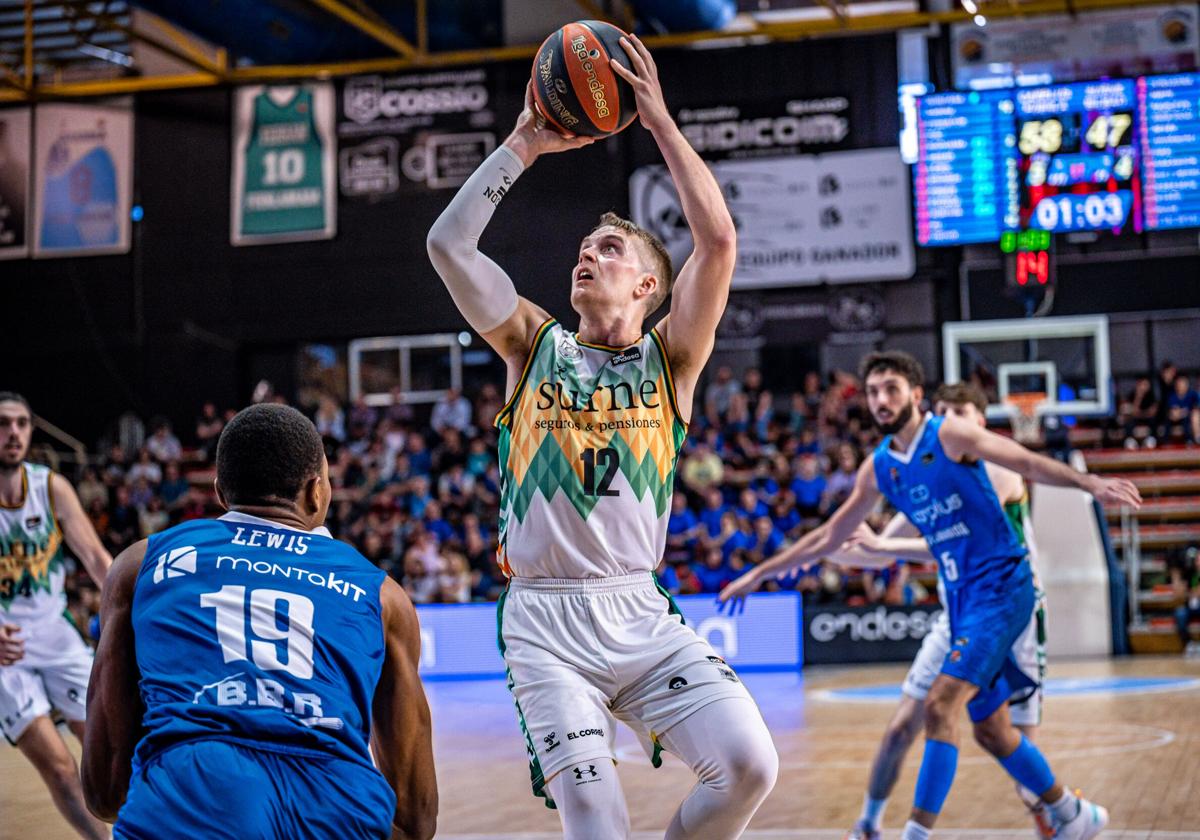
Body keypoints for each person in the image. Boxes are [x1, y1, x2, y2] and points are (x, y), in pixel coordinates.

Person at [426, 34, 777, 840]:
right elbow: (447, 247)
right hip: (545, 623)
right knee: (592, 815)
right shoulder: (531, 344)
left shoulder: (672, 360)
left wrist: (656, 121)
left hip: (640, 613)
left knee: (752, 768)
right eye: (584, 249)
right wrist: (523, 142)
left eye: (609, 249)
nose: (588, 254)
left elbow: (718, 241)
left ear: (650, 285)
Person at [720, 351, 1142, 840]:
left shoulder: (950, 433)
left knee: (940, 705)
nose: (881, 399)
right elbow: (829, 537)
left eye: (892, 389)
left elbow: (1024, 459)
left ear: (917, 395)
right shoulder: (881, 468)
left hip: (1004, 588)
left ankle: (915, 835)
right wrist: (760, 574)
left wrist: (1089, 483)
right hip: (961, 602)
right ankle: (1071, 812)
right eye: (874, 391)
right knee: (991, 731)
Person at [81, 404, 437, 839]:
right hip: (335, 800)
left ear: (220, 493)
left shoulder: (142, 564)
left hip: (195, 787)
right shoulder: (383, 595)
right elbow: (416, 818)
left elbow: (104, 792)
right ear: (316, 493)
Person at [843, 383, 1052, 840]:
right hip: (957, 618)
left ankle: (1062, 821)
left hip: (1010, 615)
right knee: (901, 728)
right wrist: (828, 549)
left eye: (958, 413)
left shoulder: (998, 470)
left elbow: (945, 542)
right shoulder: (925, 476)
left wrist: (885, 545)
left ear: (980, 422)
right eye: (941, 414)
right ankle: (867, 826)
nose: (947, 422)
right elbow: (876, 551)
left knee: (1015, 754)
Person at [0, 393, 112, 840]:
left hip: (55, 633)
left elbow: (96, 558)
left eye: (22, 424)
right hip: (6, 652)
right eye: (4, 423)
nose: (13, 433)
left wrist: (142, 617)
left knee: (108, 751)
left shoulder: (50, 487)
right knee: (61, 770)